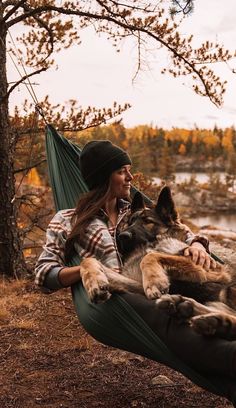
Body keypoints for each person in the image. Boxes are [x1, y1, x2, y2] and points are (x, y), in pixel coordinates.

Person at [35, 140, 236, 405]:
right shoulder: (66, 219)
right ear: (103, 176)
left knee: (178, 311)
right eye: (122, 171)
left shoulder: (135, 210)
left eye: (129, 170)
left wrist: (198, 243)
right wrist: (88, 267)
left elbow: (179, 230)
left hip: (160, 286)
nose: (130, 177)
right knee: (165, 314)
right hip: (114, 302)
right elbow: (43, 273)